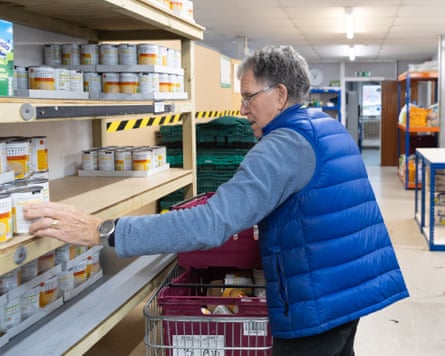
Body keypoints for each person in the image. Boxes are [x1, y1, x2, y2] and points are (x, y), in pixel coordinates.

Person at [23, 45, 409, 356]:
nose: (241, 111)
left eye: (247, 98)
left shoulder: (283, 145)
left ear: (279, 94)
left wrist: (104, 230)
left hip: (317, 299)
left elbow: (212, 224)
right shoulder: (325, 126)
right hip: (348, 288)